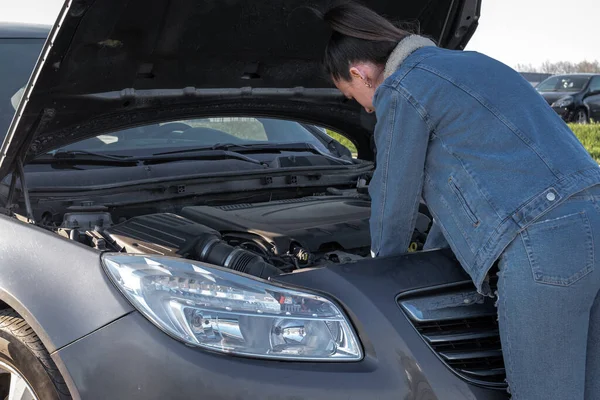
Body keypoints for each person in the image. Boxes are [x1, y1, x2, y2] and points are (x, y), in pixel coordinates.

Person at [316, 2, 600, 399]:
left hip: (544, 245)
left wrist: (379, 270)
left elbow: (391, 200)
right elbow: (480, 187)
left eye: (352, 96)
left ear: (358, 73)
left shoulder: (402, 88)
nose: (364, 108)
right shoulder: (472, 65)